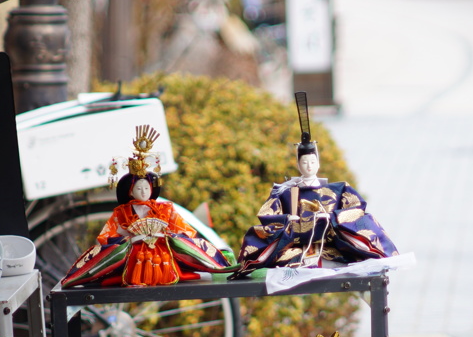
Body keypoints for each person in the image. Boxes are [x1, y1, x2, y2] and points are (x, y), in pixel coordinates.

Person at [232, 94, 398, 275]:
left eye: (312, 162)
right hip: (295, 249)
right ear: (297, 164)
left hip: (332, 248)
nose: (309, 166)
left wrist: (333, 218)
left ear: (318, 163)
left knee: (346, 258)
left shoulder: (338, 190)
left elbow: (356, 209)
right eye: (304, 163)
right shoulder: (285, 192)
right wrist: (287, 220)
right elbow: (267, 215)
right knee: (287, 262)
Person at [62, 126, 235, 287]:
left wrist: (167, 234)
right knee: (114, 257)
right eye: (139, 188)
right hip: (133, 249)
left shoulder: (164, 209)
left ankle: (217, 264)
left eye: (146, 188)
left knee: (185, 247)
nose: (143, 191)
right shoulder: (122, 212)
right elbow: (109, 235)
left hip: (161, 247)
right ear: (130, 192)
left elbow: (184, 229)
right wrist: (127, 233)